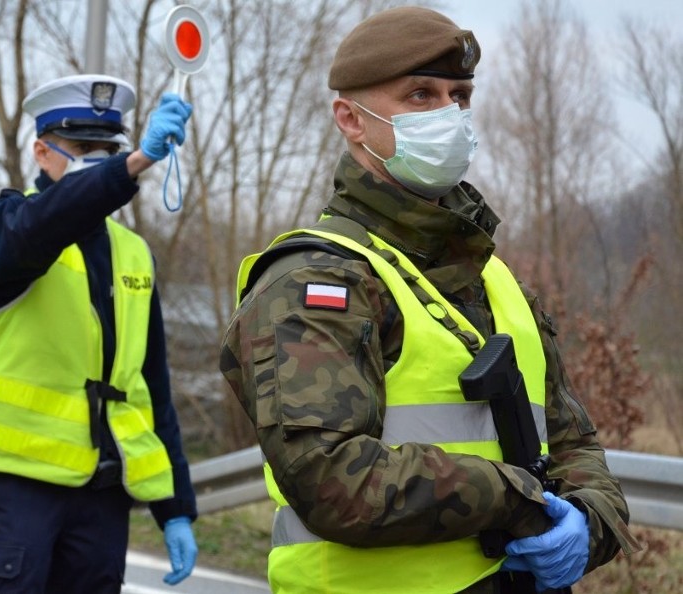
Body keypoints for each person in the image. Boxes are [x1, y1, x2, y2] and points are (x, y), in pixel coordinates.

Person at [219, 7, 640, 594]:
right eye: (420, 94)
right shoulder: (316, 282)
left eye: (459, 95)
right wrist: (522, 500)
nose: (448, 114)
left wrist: (590, 521)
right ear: (351, 119)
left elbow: (572, 441)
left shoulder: (498, 281)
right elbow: (333, 481)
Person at [0, 74, 199, 593]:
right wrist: (128, 165)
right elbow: (46, 223)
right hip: (21, 486)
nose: (99, 158)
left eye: (109, 148)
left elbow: (152, 387)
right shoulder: (6, 224)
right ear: (42, 152)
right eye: (84, 148)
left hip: (105, 494)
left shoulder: (133, 253)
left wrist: (176, 509)